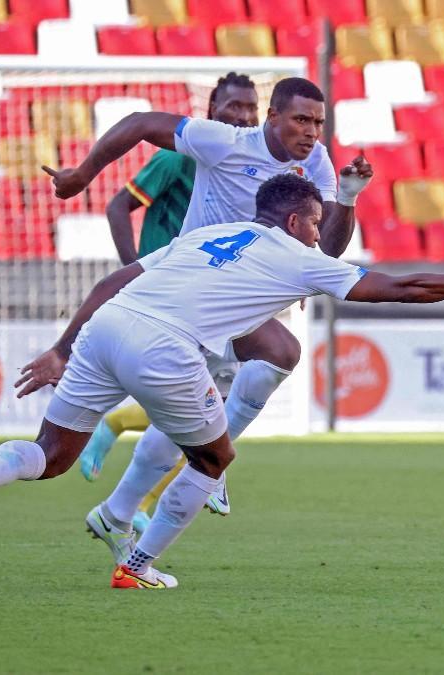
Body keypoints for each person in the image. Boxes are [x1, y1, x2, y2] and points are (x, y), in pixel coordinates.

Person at [0, 173, 444, 589]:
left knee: (49, 456)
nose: (319, 237)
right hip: (164, 346)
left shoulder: (206, 234)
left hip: (107, 326)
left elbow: (111, 283)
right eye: (314, 225)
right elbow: (403, 288)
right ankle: (138, 564)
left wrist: (61, 349)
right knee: (215, 458)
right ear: (293, 219)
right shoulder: (296, 252)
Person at [44, 77, 375, 522]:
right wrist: (83, 174)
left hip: (245, 298)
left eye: (318, 121)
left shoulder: (315, 162)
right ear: (273, 117)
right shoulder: (222, 142)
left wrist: (348, 198)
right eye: (302, 119)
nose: (313, 131)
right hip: (191, 293)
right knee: (258, 368)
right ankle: (150, 482)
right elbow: (142, 123)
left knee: (251, 377)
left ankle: (127, 504)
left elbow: (330, 249)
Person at [79, 71, 260, 528]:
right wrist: (134, 269)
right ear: (210, 112)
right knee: (208, 403)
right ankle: (141, 489)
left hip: (215, 294)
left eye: (248, 107)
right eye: (231, 106)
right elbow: (118, 204)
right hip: (170, 292)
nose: (240, 116)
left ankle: (135, 474)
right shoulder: (183, 158)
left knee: (211, 401)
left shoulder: (251, 167)